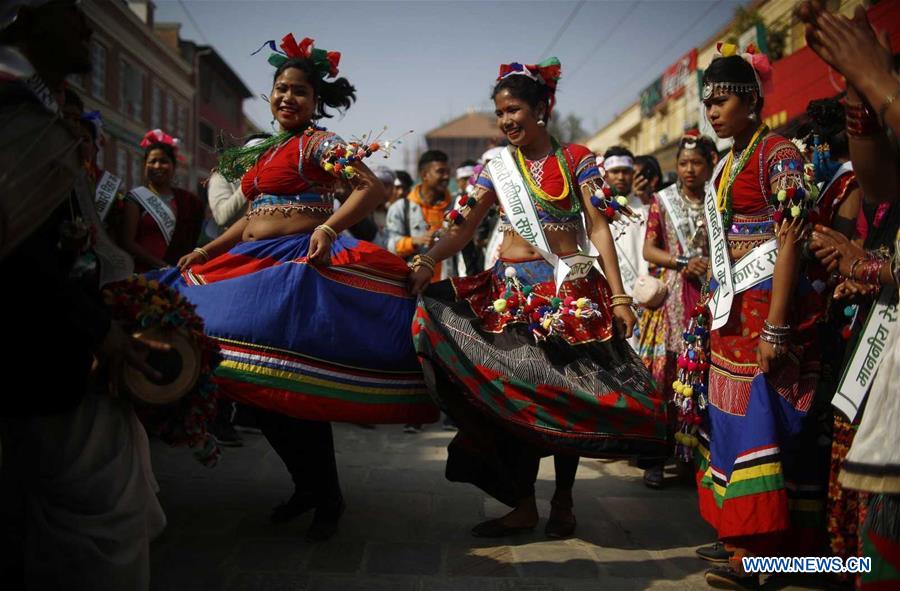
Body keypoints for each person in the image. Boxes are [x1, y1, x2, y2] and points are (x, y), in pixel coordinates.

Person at [156, 34, 436, 541]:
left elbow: (369, 188)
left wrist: (328, 229)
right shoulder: (261, 153)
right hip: (251, 265)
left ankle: (327, 496)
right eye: (281, 89)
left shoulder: (320, 143)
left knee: (292, 391)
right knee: (264, 398)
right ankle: (308, 488)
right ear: (271, 96)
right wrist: (207, 251)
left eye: (300, 91)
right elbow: (249, 222)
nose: (288, 97)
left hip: (296, 272)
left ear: (315, 101)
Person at [409, 57, 667, 540]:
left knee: (566, 397)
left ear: (542, 108)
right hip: (507, 296)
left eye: (515, 110)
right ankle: (524, 504)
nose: (507, 120)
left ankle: (563, 501)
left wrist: (618, 298)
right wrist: (427, 260)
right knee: (515, 401)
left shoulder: (577, 160)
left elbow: (599, 230)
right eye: (501, 112)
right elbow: (462, 227)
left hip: (567, 294)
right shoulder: (497, 166)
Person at [0, 2, 165, 588]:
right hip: (41, 353)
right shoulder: (17, 118)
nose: (90, 28)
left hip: (56, 348)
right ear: (24, 20)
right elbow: (25, 258)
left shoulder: (39, 115)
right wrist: (99, 329)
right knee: (103, 516)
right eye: (73, 15)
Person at [693, 45, 832, 588]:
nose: (711, 111)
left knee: (760, 426)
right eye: (706, 102)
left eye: (721, 99)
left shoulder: (778, 153)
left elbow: (790, 235)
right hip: (732, 316)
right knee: (730, 421)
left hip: (766, 314)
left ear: (751, 99)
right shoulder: (730, 160)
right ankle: (738, 533)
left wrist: (776, 324)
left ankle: (758, 554)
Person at [636, 132, 714, 490]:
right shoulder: (662, 202)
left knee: (702, 379)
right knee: (665, 379)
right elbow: (650, 250)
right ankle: (656, 459)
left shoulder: (717, 198)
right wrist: (682, 261)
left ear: (709, 163)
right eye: (683, 164)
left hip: (709, 294)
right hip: (672, 301)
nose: (689, 170)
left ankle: (692, 460)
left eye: (696, 163)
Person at [116, 129, 204, 272]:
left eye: (163, 161)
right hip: (144, 274)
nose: (157, 166)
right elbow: (127, 242)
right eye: (152, 161)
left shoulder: (188, 201)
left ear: (174, 166)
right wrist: (163, 266)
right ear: (145, 166)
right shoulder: (135, 199)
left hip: (180, 273)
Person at [385, 149, 454, 282]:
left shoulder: (456, 207)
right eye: (440, 172)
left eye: (447, 172)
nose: (446, 177)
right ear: (424, 175)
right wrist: (415, 241)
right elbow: (389, 246)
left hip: (448, 285)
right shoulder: (401, 208)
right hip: (413, 285)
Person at [602, 146, 648, 297]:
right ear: (606, 175)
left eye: (625, 172)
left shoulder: (645, 209)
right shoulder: (598, 211)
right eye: (615, 172)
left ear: (633, 174)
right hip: (610, 293)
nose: (621, 177)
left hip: (644, 291)